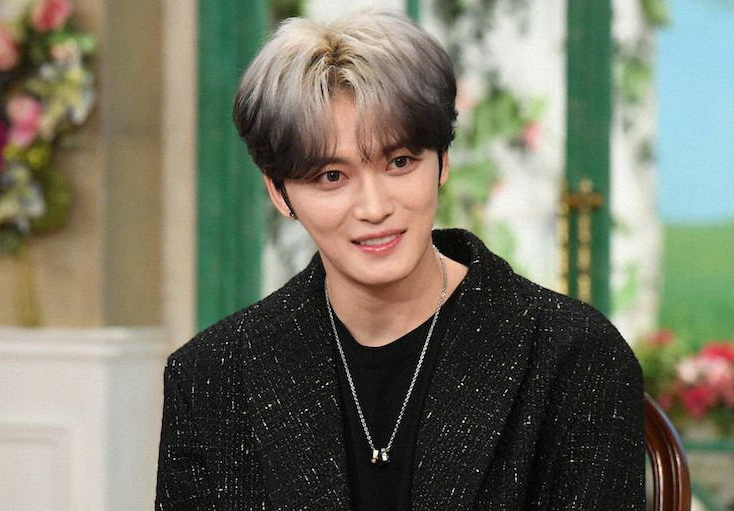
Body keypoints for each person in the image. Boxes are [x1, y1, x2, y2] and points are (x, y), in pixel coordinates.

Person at [156, 10, 644, 511]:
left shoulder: (574, 356)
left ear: (442, 161)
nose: (374, 208)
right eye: (331, 177)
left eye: (399, 162)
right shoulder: (210, 378)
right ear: (279, 193)